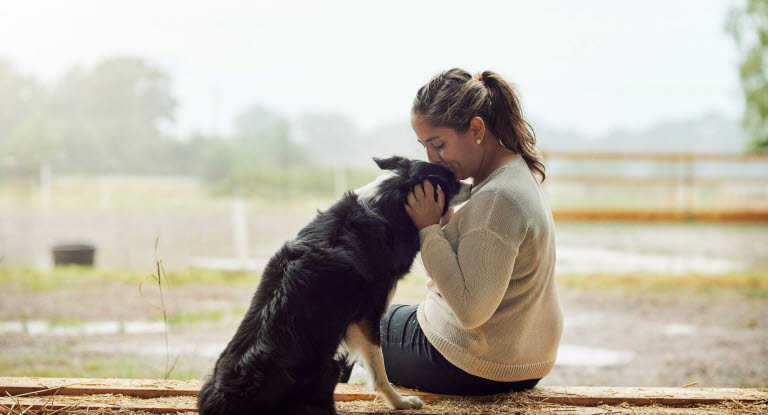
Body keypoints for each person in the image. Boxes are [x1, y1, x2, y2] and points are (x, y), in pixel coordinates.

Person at [378, 68, 563, 395]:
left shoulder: (496, 199)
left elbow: (470, 311)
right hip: (522, 357)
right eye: (424, 146)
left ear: (476, 129)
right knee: (381, 313)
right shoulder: (512, 172)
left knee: (346, 324)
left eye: (438, 145)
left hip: (474, 363)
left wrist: (429, 230)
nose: (431, 159)